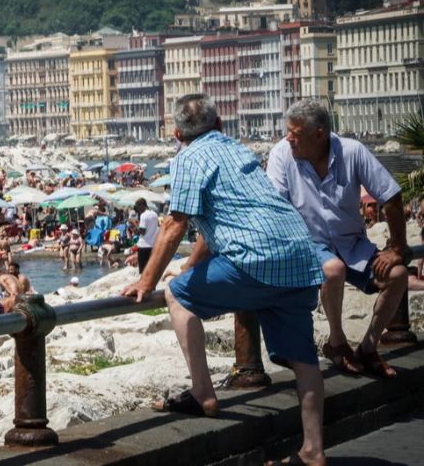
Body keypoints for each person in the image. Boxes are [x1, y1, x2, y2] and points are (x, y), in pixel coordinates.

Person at [121, 94, 326, 466]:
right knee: (304, 359)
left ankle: (202, 393)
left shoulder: (187, 158)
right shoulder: (237, 149)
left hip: (253, 258)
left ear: (175, 133)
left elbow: (176, 223)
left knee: (178, 295)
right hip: (298, 253)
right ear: (219, 125)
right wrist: (190, 265)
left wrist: (146, 282)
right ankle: (313, 451)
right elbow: (213, 226)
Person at [267, 99, 410, 378]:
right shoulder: (282, 154)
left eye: (294, 133)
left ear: (319, 134)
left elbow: (391, 195)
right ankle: (337, 342)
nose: (288, 138)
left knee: (399, 274)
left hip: (352, 244)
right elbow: (276, 208)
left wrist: (397, 247)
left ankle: (368, 348)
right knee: (333, 269)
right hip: (310, 245)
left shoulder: (352, 151)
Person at [134, 198, 159, 274]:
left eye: (137, 207)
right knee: (151, 270)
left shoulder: (143, 215)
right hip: (153, 244)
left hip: (144, 245)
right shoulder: (155, 214)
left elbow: (142, 231)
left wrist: (135, 228)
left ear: (141, 205)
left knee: (143, 270)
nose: (138, 210)